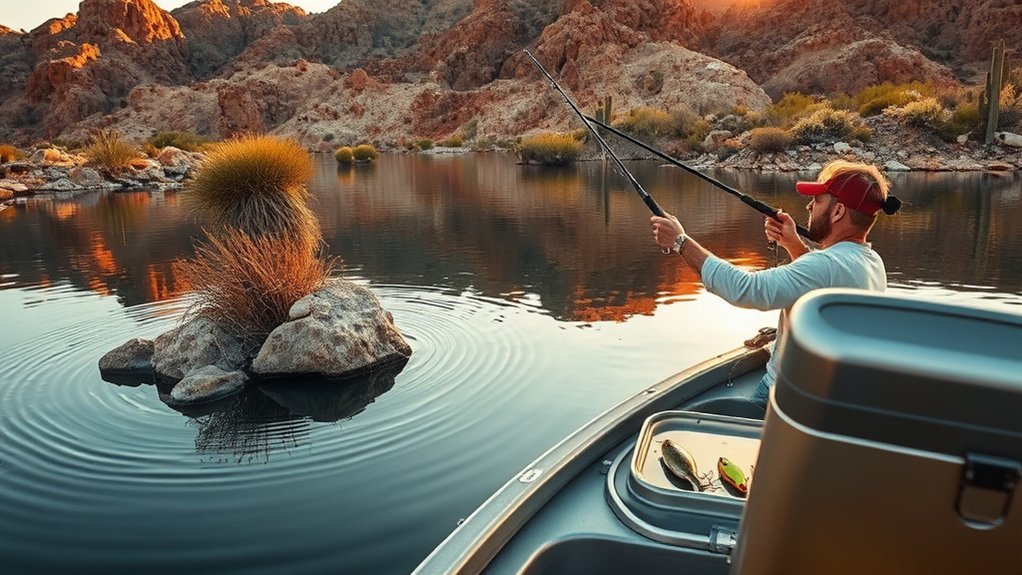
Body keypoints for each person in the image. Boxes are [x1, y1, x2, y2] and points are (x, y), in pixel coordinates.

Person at [650, 160, 902, 408]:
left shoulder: (825, 265)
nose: (809, 206)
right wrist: (793, 244)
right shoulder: (870, 261)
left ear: (838, 212)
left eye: (818, 200)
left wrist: (681, 241)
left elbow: (745, 289)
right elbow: (823, 284)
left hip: (781, 397)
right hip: (825, 396)